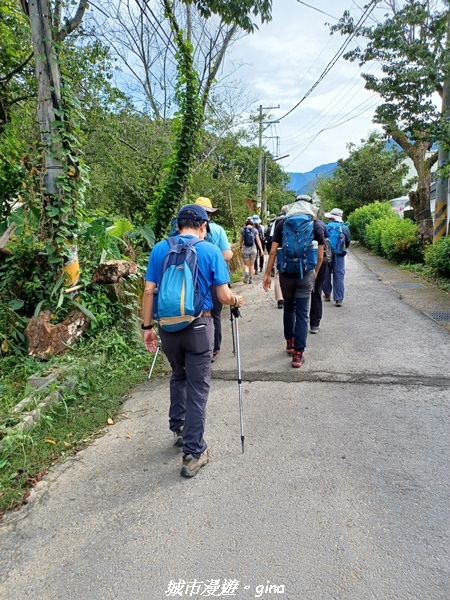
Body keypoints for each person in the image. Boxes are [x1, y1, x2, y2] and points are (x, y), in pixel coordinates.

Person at [142, 204, 244, 478]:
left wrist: (147, 327)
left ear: (178, 225)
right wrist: (237, 299)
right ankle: (193, 452)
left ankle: (179, 427)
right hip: (199, 325)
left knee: (178, 375)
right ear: (203, 226)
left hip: (168, 328)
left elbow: (149, 290)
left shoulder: (160, 249)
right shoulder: (210, 250)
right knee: (198, 388)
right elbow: (223, 296)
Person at [263, 197, 324, 368]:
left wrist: (267, 274)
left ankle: (290, 343)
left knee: (289, 308)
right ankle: (298, 354)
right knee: (303, 314)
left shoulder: (282, 224)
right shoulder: (316, 224)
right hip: (305, 274)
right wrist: (315, 272)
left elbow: (273, 251)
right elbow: (320, 256)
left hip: (286, 273)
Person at [195, 197, 233, 362]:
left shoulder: (182, 232)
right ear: (210, 213)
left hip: (193, 279)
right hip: (215, 278)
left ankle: (198, 347)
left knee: (195, 312)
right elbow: (228, 255)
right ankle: (214, 348)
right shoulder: (218, 230)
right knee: (214, 314)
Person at [322, 208, 351, 307]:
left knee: (326, 275)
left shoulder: (326, 227)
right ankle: (338, 299)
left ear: (331, 217)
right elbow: (347, 242)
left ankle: (327, 295)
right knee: (339, 277)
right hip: (339, 256)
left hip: (327, 255)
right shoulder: (344, 228)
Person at [309, 215, 329, 333]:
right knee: (316, 292)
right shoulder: (320, 225)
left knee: (300, 295)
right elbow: (321, 255)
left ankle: (297, 325)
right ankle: (314, 324)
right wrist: (316, 271)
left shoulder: (295, 224)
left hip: (303, 262)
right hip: (319, 264)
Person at [240, 217, 264, 284]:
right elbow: (258, 240)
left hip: (245, 249)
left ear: (246, 223)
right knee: (252, 265)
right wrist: (261, 250)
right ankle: (250, 279)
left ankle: (246, 273)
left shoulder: (242, 230)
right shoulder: (255, 230)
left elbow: (241, 240)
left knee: (246, 265)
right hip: (253, 249)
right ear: (252, 223)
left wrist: (240, 247)